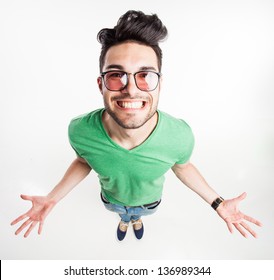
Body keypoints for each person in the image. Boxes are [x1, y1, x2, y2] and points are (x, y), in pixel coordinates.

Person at [11, 10, 262, 241]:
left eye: (145, 75)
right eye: (116, 75)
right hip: (111, 201)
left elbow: (182, 166)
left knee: (138, 213)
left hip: (150, 203)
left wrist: (218, 203)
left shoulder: (180, 135)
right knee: (121, 213)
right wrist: (53, 198)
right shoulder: (79, 130)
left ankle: (136, 218)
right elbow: (83, 160)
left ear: (159, 84)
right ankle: (124, 219)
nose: (130, 89)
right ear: (101, 85)